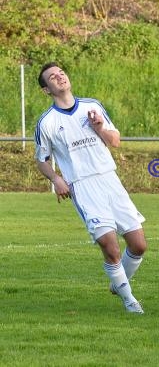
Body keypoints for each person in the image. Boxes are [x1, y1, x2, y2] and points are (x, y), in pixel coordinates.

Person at [34, 62, 147, 314]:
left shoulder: (91, 106)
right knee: (110, 245)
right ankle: (130, 301)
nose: (59, 77)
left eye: (61, 73)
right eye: (52, 77)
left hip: (109, 179)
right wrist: (57, 179)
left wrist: (100, 128)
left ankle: (119, 284)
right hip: (83, 186)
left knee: (138, 245)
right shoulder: (47, 122)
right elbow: (41, 160)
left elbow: (115, 141)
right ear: (46, 90)